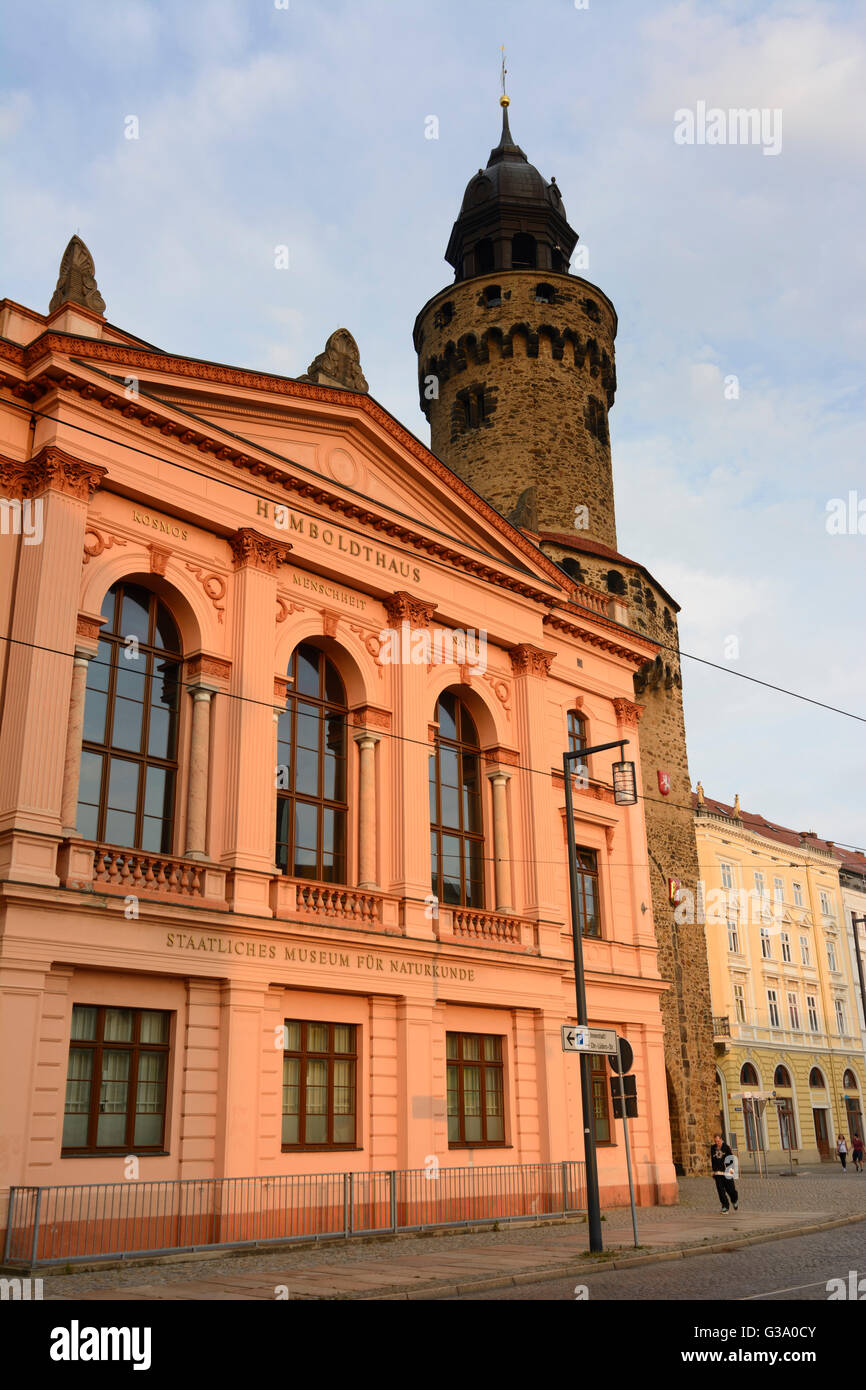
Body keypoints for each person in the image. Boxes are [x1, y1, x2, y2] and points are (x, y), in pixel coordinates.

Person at [710, 1133, 739, 1212]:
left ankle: (734, 1200)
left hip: (727, 1172)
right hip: (718, 1173)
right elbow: (712, 1160)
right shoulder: (713, 1148)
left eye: (718, 1141)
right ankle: (725, 1206)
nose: (717, 1143)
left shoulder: (726, 1148)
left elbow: (731, 1159)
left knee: (731, 1189)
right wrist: (713, 1171)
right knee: (720, 1190)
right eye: (715, 1141)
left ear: (721, 1140)